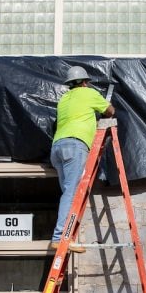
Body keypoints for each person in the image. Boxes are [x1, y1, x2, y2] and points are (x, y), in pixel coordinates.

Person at [50, 65, 115, 252]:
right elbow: (110, 111)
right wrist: (101, 109)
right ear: (85, 82)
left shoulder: (64, 99)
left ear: (70, 84)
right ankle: (61, 238)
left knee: (68, 193)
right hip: (75, 146)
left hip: (57, 148)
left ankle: (66, 236)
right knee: (71, 193)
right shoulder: (89, 94)